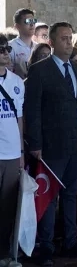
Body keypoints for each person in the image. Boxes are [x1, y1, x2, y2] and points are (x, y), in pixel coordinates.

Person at [25, 22, 77, 265]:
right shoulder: (40, 70)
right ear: (51, 43)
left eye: (71, 37)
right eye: (63, 38)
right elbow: (32, 110)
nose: (69, 42)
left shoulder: (76, 70)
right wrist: (35, 143)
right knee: (50, 195)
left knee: (71, 194)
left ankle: (71, 242)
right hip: (52, 145)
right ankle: (46, 246)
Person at [0, 34, 24, 265]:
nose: (6, 53)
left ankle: (5, 254)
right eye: (1, 50)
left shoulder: (16, 82)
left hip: (10, 154)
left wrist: (21, 153)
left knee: (8, 206)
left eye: (7, 49)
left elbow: (19, 118)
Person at [9, 8, 36, 78]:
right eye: (28, 21)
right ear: (17, 26)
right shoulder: (10, 47)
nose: (32, 25)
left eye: (33, 21)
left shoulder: (38, 46)